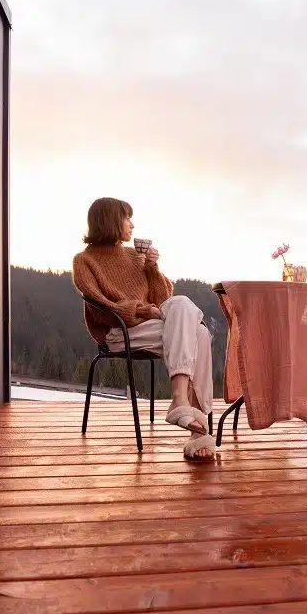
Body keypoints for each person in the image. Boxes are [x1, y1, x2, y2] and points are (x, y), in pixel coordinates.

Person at [72, 197, 216, 460]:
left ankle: (182, 404)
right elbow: (99, 306)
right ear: (110, 221)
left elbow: (162, 300)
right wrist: (141, 310)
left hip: (150, 327)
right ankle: (197, 428)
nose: (132, 225)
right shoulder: (84, 260)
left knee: (194, 322)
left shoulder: (135, 256)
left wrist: (151, 269)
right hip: (118, 332)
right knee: (197, 332)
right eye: (127, 218)